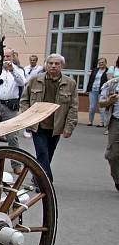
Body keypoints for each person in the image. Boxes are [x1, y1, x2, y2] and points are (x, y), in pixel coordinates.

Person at [19, 53, 78, 181]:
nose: (53, 66)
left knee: (48, 155)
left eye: (57, 64)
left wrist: (69, 127)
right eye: (50, 63)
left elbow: (73, 107)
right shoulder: (35, 80)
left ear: (62, 66)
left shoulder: (70, 83)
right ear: (46, 65)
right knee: (42, 153)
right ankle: (47, 181)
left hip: (56, 126)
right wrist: (27, 118)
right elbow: (24, 100)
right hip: (38, 124)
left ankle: (37, 178)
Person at [0, 49, 25, 167]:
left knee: (12, 136)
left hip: (9, 107)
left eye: (8, 56)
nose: (6, 58)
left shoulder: (19, 70)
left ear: (13, 57)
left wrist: (12, 70)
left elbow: (22, 82)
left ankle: (16, 165)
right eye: (4, 56)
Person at [99, 74, 119, 191]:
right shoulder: (112, 84)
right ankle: (118, 179)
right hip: (116, 122)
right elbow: (101, 103)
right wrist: (109, 101)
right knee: (113, 154)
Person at [86, 57, 109, 127]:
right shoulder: (95, 70)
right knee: (92, 107)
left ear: (105, 63)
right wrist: (88, 89)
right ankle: (90, 121)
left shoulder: (108, 71)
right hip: (93, 90)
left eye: (102, 62)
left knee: (102, 107)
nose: (101, 64)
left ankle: (102, 122)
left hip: (102, 91)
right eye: (99, 63)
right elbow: (90, 80)